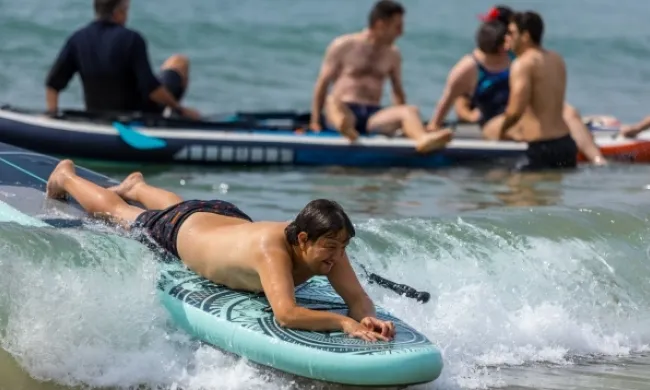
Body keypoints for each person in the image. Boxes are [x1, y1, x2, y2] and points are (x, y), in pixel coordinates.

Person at [45, 159, 395, 342]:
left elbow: (357, 297)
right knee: (121, 213)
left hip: (222, 218)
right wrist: (343, 323)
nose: (336, 255)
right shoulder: (270, 251)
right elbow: (286, 314)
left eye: (341, 247)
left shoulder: (330, 242)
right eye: (330, 247)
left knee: (183, 206)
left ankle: (137, 185)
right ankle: (66, 177)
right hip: (184, 231)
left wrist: (365, 316)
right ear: (302, 239)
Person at [434, 5, 606, 166]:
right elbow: (455, 100)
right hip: (495, 120)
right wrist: (439, 125)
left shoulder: (519, 58)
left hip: (526, 118)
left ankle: (598, 161)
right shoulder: (470, 66)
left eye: (509, 32)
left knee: (569, 111)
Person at [309, 0, 452, 153]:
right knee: (332, 102)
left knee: (409, 110)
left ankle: (422, 138)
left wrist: (404, 122)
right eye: (397, 27)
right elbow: (322, 83)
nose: (401, 32)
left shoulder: (393, 54)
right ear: (380, 25)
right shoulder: (343, 45)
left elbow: (397, 91)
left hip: (373, 115)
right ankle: (346, 130)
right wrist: (315, 121)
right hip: (345, 109)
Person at [45, 0, 200, 119]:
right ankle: (174, 115)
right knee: (179, 61)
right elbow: (151, 89)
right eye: (126, 10)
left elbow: (53, 85)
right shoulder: (132, 39)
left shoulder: (77, 39)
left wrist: (53, 115)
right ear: (118, 13)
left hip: (96, 114)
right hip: (137, 114)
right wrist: (180, 109)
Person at [484, 11, 578, 170]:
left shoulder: (523, 64)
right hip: (566, 145)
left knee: (511, 192)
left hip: (540, 149)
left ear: (525, 36)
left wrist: (502, 131)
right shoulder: (557, 59)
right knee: (551, 194)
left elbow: (515, 111)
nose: (507, 37)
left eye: (512, 33)